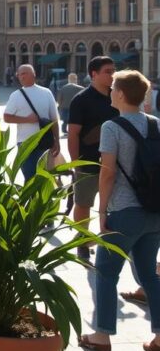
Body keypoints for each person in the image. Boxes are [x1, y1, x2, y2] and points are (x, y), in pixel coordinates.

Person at [78, 70, 160, 351]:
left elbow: (107, 174)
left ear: (122, 95)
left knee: (105, 273)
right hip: (153, 212)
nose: (110, 91)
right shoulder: (156, 125)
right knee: (150, 274)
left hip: (124, 211)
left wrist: (102, 212)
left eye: (113, 88)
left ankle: (102, 336)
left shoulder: (112, 128)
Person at [67, 56, 118, 262]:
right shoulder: (81, 99)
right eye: (108, 71)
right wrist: (75, 164)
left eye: (113, 70)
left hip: (115, 162)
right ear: (93, 74)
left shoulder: (117, 97)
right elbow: (73, 134)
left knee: (115, 204)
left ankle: (110, 242)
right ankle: (82, 241)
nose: (112, 75)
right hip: (88, 161)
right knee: (83, 203)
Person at [3, 64, 60, 183]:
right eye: (19, 74)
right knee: (29, 176)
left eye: (25, 73)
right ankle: (31, 200)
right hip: (25, 142)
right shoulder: (16, 95)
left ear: (33, 75)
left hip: (44, 140)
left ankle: (43, 200)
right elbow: (7, 117)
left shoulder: (46, 93)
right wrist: (27, 119)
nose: (21, 77)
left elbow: (54, 119)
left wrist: (57, 140)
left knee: (44, 176)